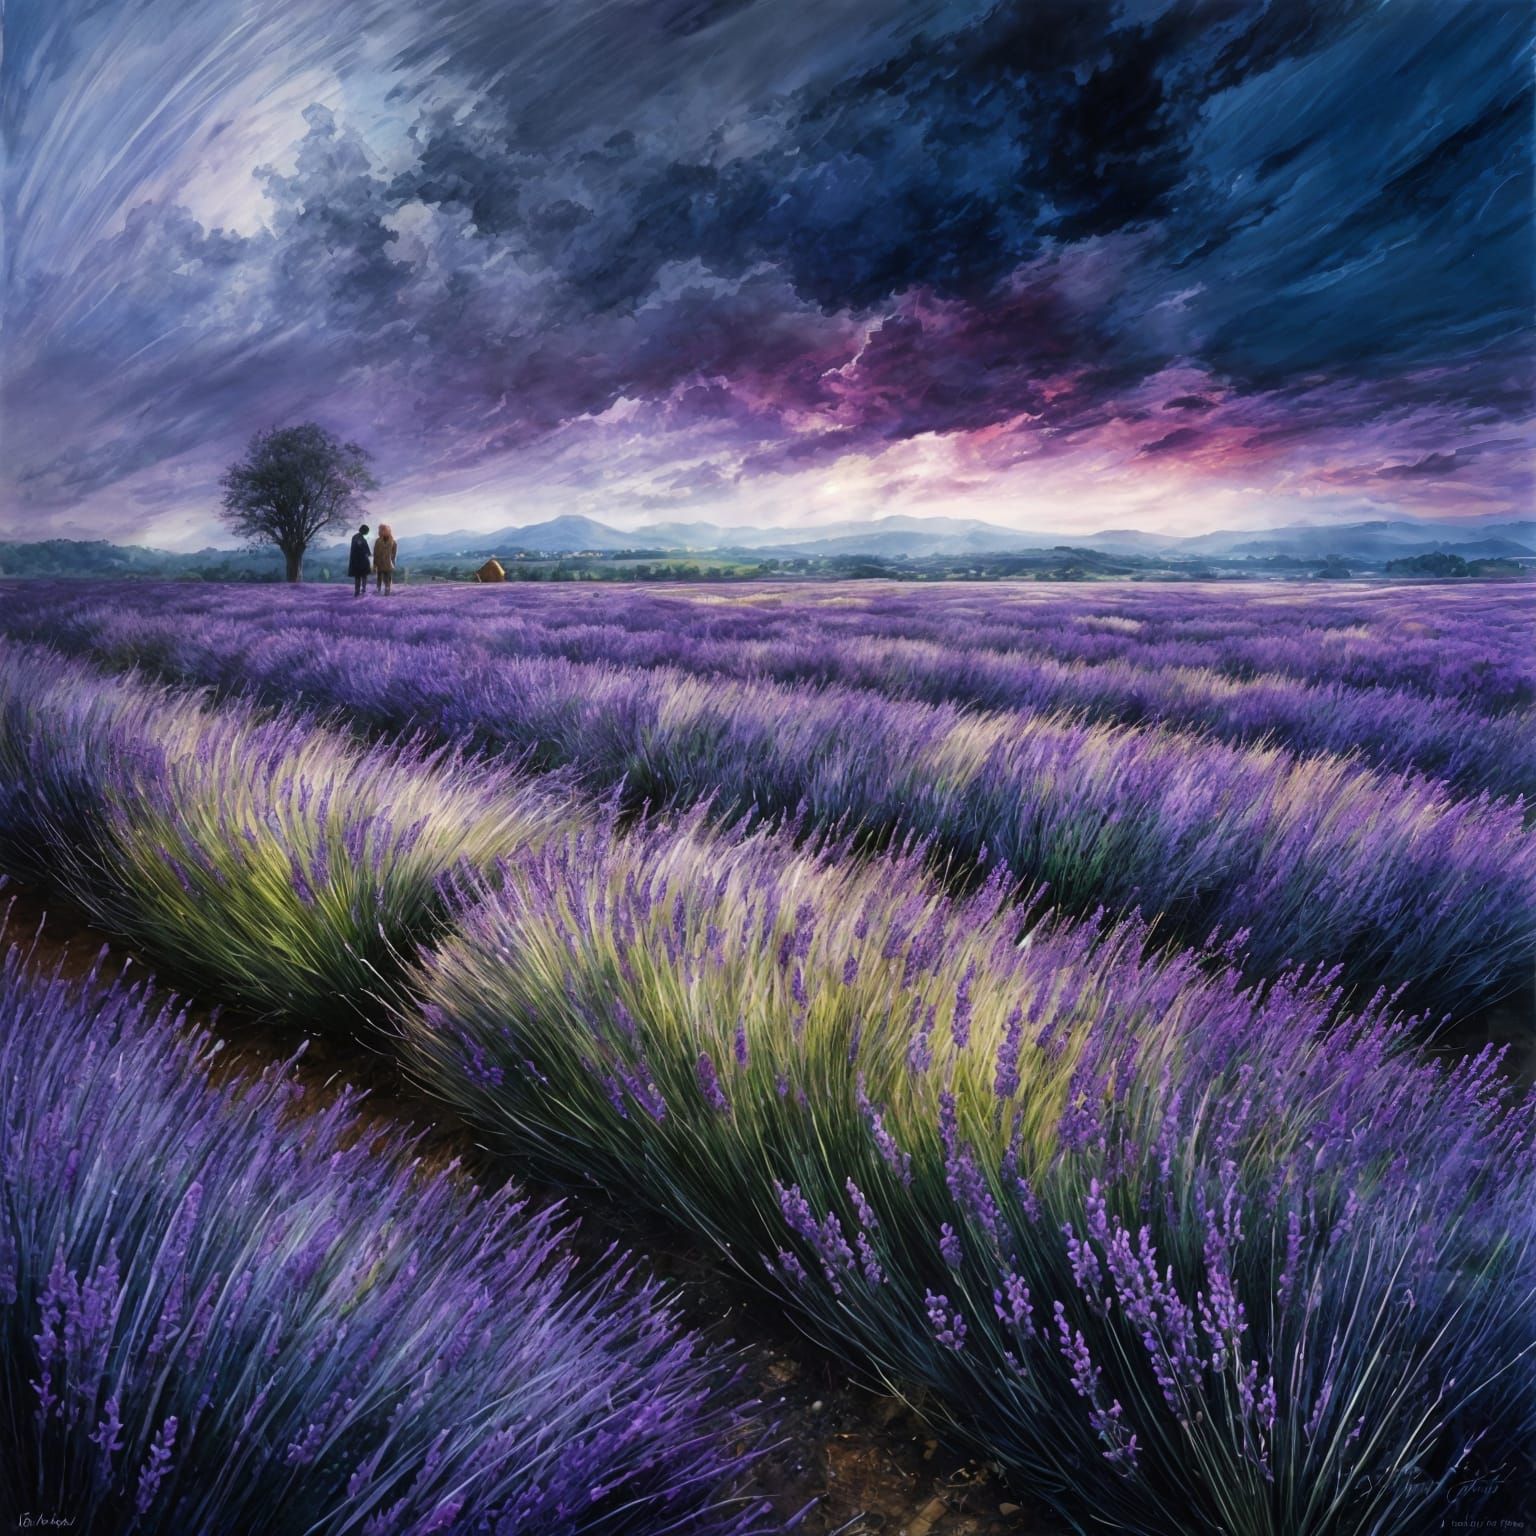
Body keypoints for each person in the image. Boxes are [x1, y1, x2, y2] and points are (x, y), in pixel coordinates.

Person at [373, 523, 398, 594]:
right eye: (380, 530)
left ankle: (387, 591)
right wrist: (375, 564)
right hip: (380, 563)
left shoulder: (393, 542)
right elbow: (375, 553)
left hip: (388, 563)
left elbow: (394, 554)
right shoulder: (378, 541)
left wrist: (393, 562)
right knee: (379, 578)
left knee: (387, 578)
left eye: (382, 530)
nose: (380, 532)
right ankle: (378, 590)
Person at [348, 523, 372, 596]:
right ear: (364, 530)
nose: (367, 532)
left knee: (359, 576)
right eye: (367, 531)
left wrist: (368, 553)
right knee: (361, 575)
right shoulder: (359, 538)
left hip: (358, 560)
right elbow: (361, 548)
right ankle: (360, 591)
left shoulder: (357, 537)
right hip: (360, 560)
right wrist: (367, 553)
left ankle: (359, 591)